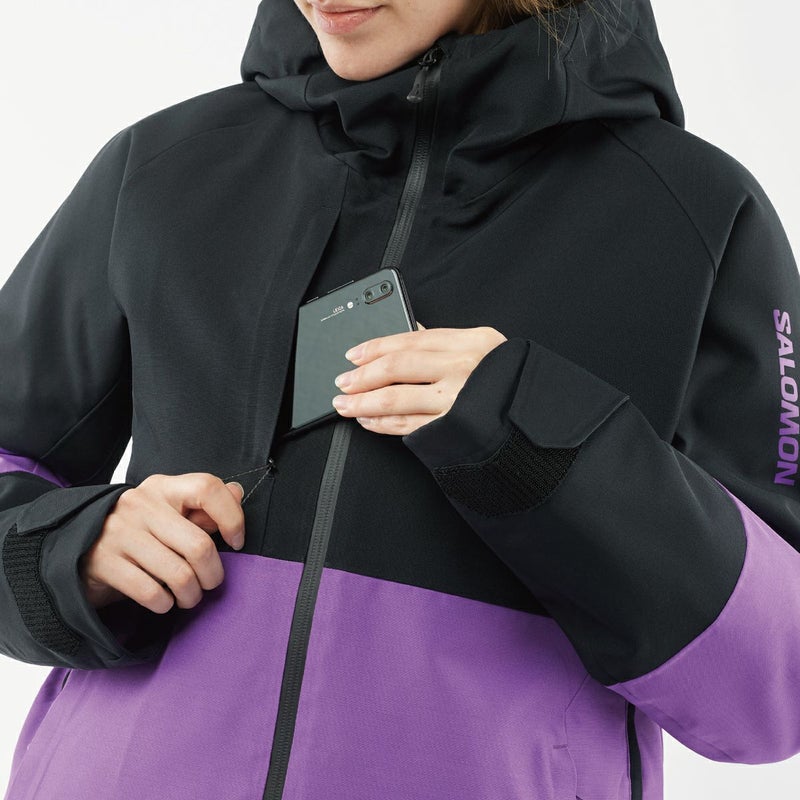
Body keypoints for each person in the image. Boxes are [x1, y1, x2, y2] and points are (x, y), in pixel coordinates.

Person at [1, 0, 799, 797]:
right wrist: (72, 552)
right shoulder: (164, 165)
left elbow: (773, 683)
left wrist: (541, 440)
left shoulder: (694, 214)